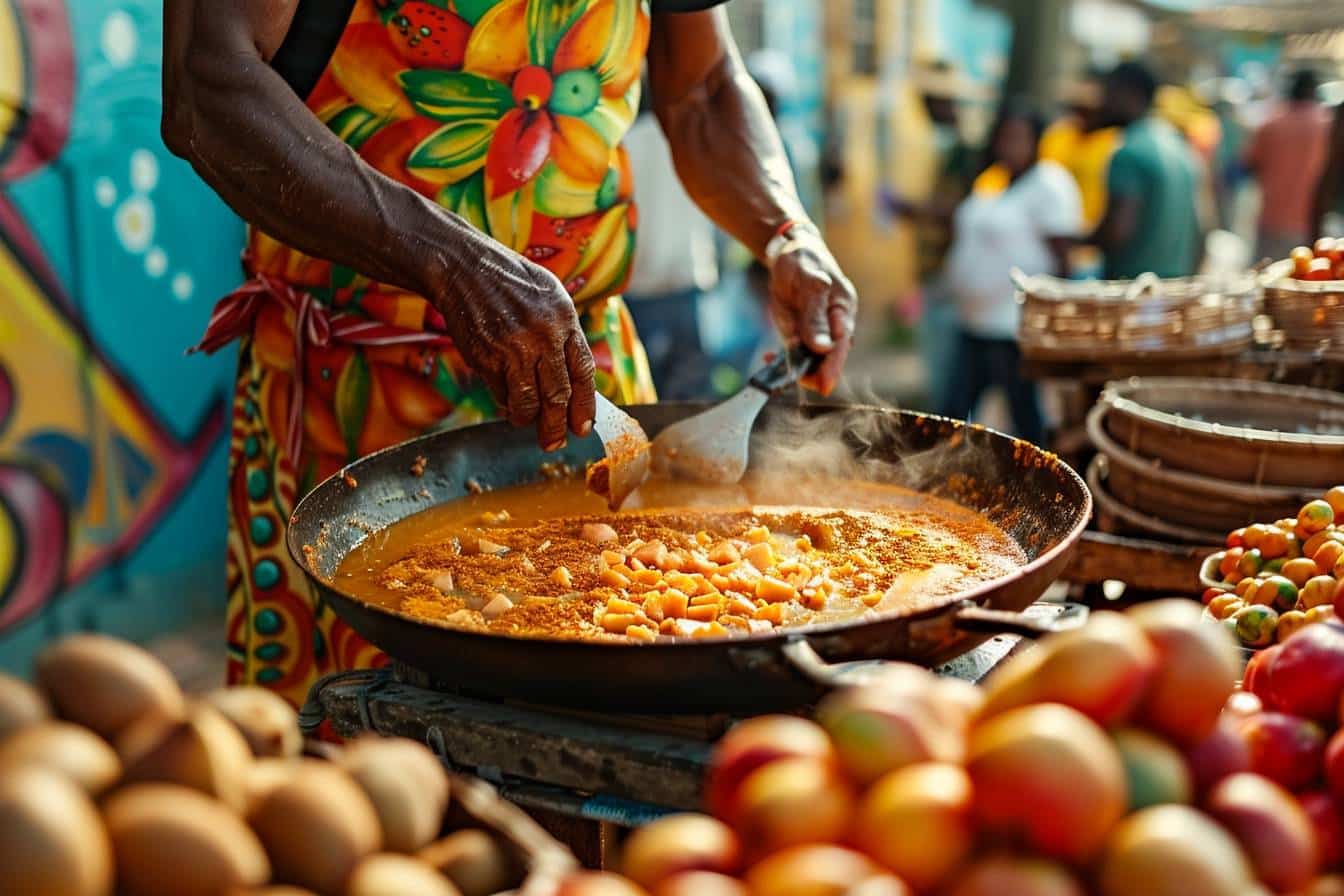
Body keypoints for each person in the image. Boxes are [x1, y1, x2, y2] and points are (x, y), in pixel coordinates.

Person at [163, 0, 856, 704]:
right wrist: (451, 262)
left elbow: (703, 88)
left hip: (589, 390)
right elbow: (207, 91)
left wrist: (785, 230)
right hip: (350, 402)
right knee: (363, 756)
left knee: (629, 702)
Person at [940, 100, 1082, 446]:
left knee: (1025, 419)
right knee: (953, 413)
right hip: (973, 321)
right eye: (1004, 137)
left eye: (1018, 137)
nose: (1009, 146)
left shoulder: (1049, 184)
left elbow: (1064, 256)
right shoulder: (993, 183)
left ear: (1036, 141)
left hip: (1012, 327)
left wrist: (1054, 323)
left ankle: (1042, 489)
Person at [622, 82, 718, 400]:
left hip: (638, 285)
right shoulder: (690, 144)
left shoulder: (623, 147)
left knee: (646, 397)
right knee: (690, 392)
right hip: (685, 280)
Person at [1090, 62, 1202, 279]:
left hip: (1129, 288)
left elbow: (1119, 230)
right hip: (1171, 288)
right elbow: (1202, 229)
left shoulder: (1128, 152)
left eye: (1109, 92)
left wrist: (1083, 241)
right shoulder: (1180, 147)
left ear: (1129, 94)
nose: (1103, 103)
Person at [1246, 69, 1332, 261]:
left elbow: (1250, 164)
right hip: (1313, 224)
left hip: (1272, 220)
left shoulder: (1271, 123)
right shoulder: (1328, 125)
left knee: (1267, 280)